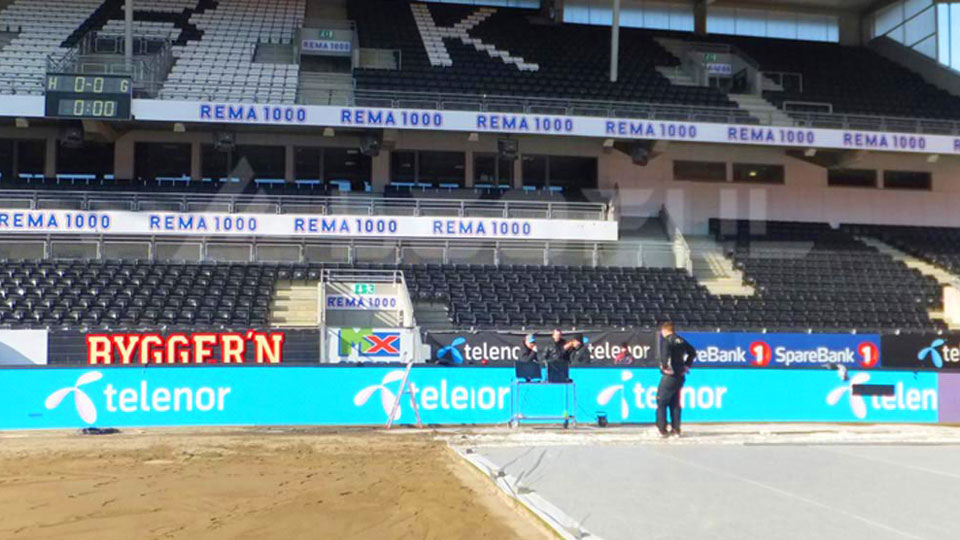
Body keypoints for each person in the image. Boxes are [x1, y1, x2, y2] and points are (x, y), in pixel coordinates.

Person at [656, 322, 697, 438]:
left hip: (670, 375)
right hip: (680, 375)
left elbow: (665, 355)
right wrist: (687, 365)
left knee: (662, 401)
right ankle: (676, 429)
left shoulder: (667, 340)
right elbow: (692, 352)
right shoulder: (681, 340)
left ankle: (662, 429)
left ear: (664, 330)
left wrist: (664, 367)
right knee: (675, 402)